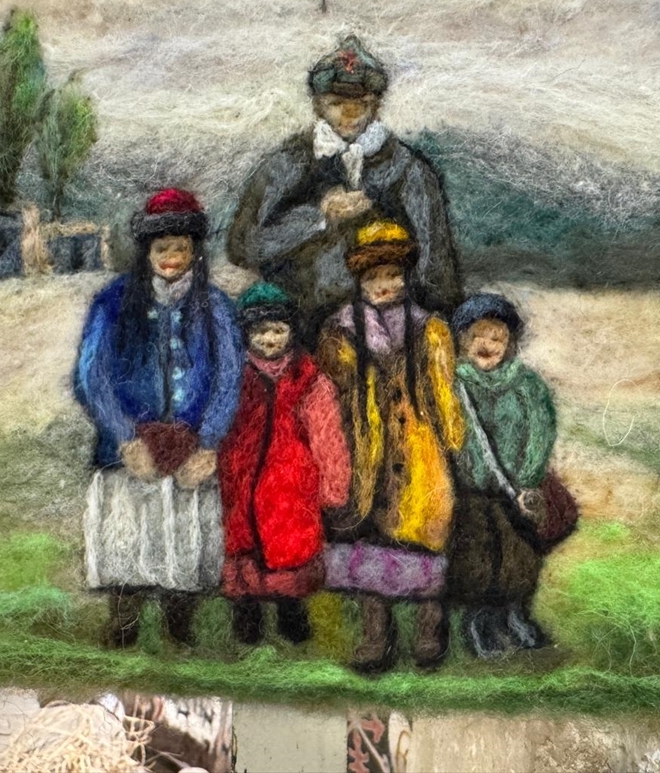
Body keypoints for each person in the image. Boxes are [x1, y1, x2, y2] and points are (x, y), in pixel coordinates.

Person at [74, 188, 244, 649]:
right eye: (162, 248)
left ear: (195, 252)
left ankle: (178, 628)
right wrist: (125, 438)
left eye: (181, 248)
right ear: (146, 251)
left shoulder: (216, 307)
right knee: (126, 538)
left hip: (191, 449)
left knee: (183, 540)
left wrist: (209, 443)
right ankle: (123, 624)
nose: (171, 258)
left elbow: (230, 377)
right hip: (128, 450)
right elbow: (92, 375)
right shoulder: (113, 302)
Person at [227, 35, 462, 343]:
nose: (349, 115)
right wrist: (318, 217)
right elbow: (243, 246)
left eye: (360, 104)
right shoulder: (287, 163)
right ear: (317, 105)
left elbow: (435, 266)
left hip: (391, 335)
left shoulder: (409, 170)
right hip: (299, 334)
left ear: (376, 106)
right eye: (337, 104)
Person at [317, 220, 465, 673]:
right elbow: (333, 393)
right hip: (367, 449)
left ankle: (429, 630)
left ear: (406, 276)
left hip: (418, 448)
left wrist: (452, 438)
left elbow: (444, 394)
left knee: (425, 532)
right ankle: (375, 634)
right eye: (373, 277)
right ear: (359, 280)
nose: (384, 285)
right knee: (369, 539)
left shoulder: (429, 329)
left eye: (393, 275)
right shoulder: (341, 330)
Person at [217, 282, 351, 645]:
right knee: (242, 546)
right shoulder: (234, 376)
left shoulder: (309, 379)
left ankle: (291, 613)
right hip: (242, 477)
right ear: (246, 334)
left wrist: (333, 485)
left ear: (292, 331)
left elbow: (327, 436)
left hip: (291, 483)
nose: (270, 339)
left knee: (290, 549)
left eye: (278, 330)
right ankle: (247, 614)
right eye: (260, 331)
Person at [446, 293, 560, 658]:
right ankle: (480, 622)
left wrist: (528, 477)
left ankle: (515, 615)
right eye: (478, 335)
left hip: (516, 494)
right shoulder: (453, 384)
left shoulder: (527, 385)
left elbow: (541, 431)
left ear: (510, 343)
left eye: (497, 337)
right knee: (477, 559)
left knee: (519, 557)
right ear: (463, 340)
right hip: (472, 494)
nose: (487, 344)